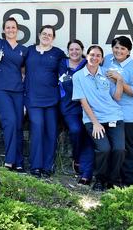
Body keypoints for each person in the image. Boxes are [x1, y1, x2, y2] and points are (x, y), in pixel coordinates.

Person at [72, 45, 124, 191]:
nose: (95, 58)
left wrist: (119, 80)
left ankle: (113, 181)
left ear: (101, 59)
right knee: (104, 149)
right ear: (86, 56)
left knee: (119, 149)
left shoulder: (107, 74)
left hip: (114, 117)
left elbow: (117, 97)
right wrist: (95, 123)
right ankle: (100, 180)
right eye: (92, 55)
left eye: (98, 56)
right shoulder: (78, 77)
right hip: (93, 120)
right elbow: (83, 102)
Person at [24, 25, 65, 178]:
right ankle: (35, 166)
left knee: (50, 132)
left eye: (50, 34)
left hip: (52, 100)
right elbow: (21, 69)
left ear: (53, 38)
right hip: (33, 99)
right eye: (44, 33)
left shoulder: (58, 54)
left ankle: (47, 166)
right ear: (39, 35)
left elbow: (66, 72)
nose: (46, 36)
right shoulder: (29, 50)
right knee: (37, 130)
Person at [103, 36, 133, 186]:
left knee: (126, 148)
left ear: (128, 51)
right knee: (110, 148)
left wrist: (120, 80)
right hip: (106, 113)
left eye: (123, 48)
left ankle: (128, 181)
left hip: (125, 115)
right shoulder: (106, 60)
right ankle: (110, 180)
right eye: (116, 47)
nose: (119, 51)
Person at [0, 17, 27, 171]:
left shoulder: (24, 49)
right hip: (1, 90)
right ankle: (10, 160)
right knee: (9, 121)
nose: (11, 30)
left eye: (13, 27)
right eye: (8, 27)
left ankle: (19, 162)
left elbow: (25, 69)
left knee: (17, 125)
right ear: (4, 30)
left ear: (17, 30)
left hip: (18, 91)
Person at [58, 39, 94, 185]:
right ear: (68, 51)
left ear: (82, 50)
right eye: (71, 49)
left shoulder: (87, 64)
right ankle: (77, 157)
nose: (74, 52)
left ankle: (86, 171)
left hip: (87, 106)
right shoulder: (61, 64)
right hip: (68, 107)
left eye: (77, 49)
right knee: (76, 130)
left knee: (89, 135)